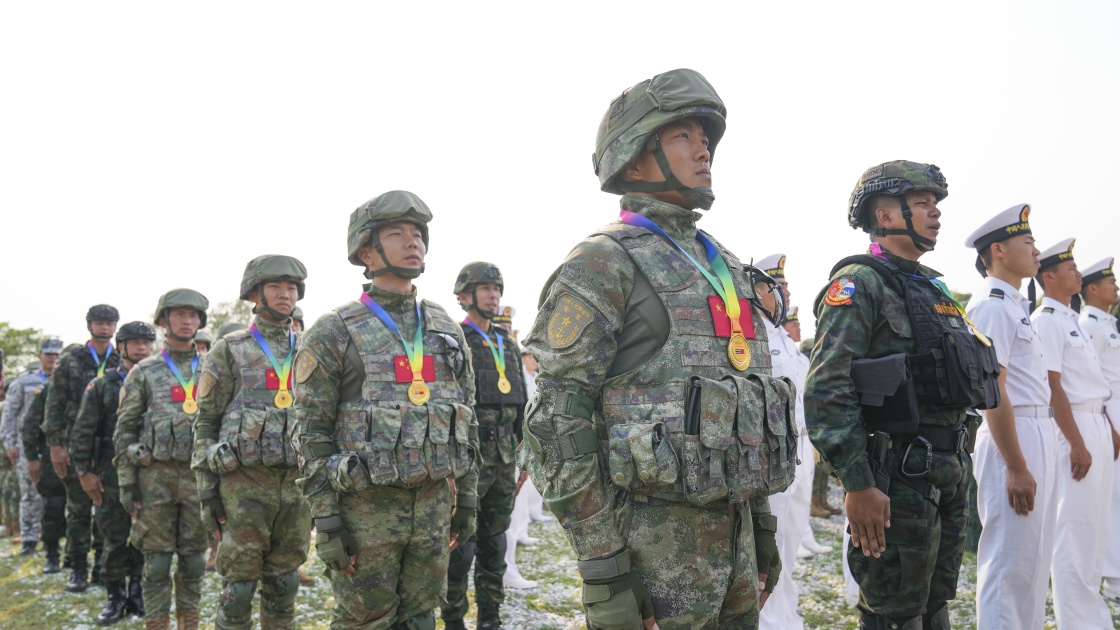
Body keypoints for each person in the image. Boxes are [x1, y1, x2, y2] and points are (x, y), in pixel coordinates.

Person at [522, 68, 791, 629]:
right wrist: (604, 568)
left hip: (737, 552)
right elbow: (556, 421)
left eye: (705, 137)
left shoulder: (722, 262)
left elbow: (746, 410)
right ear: (634, 159)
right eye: (683, 136)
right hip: (650, 556)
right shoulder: (604, 261)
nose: (704, 149)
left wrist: (761, 528)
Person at [805, 161, 999, 630]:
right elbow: (827, 389)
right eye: (922, 203)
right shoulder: (859, 284)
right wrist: (857, 483)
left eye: (936, 204)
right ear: (886, 215)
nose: (936, 212)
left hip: (947, 470)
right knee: (895, 614)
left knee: (934, 608)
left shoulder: (931, 286)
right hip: (896, 480)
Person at [294, 190, 480, 628]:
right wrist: (328, 522)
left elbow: (467, 419)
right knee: (365, 621)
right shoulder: (334, 330)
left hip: (433, 508)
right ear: (366, 251)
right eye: (396, 234)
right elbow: (311, 434)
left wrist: (468, 499)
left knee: (421, 618)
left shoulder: (445, 328)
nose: (413, 242)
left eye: (418, 234)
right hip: (365, 515)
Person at [192, 255, 311, 630]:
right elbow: (206, 421)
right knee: (239, 588)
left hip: (295, 488)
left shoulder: (311, 348)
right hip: (243, 487)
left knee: (285, 583)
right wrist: (207, 490)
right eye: (275, 286)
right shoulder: (230, 348)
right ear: (254, 294)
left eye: (291, 288)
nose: (285, 294)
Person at [963, 204, 1057, 630]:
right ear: (998, 250)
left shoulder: (1015, 305)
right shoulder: (993, 306)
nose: (1036, 250)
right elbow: (993, 390)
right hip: (1012, 438)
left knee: (1032, 563)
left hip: (1034, 431)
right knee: (1008, 564)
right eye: (1028, 242)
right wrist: (1016, 466)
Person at [1031, 239, 1116, 628]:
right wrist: (1077, 442)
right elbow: (1053, 386)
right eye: (1070, 268)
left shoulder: (1068, 320)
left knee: (1094, 530)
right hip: (1075, 427)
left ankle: (1093, 617)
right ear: (1049, 277)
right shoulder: (1048, 320)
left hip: (1094, 420)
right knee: (1075, 532)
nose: (1079, 274)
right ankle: (1078, 622)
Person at [114, 289, 210, 630]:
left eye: (193, 315)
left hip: (198, 480)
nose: (187, 321)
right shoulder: (144, 371)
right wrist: (127, 485)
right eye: (179, 314)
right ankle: (156, 624)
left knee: (194, 561)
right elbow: (124, 432)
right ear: (163, 321)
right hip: (154, 481)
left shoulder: (213, 369)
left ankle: (189, 624)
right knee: (155, 564)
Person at [440, 263, 527, 630]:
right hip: (469, 462)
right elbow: (444, 405)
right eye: (486, 288)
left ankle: (490, 617)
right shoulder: (453, 340)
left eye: (497, 289)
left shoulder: (508, 343)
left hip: (505, 459)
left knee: (495, 543)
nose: (494, 296)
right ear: (464, 296)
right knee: (461, 546)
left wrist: (524, 456)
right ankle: (454, 619)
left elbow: (521, 406)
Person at [72, 321, 156, 624]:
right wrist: (85, 472)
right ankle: (115, 597)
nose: (142, 348)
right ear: (122, 347)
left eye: (147, 343)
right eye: (135, 343)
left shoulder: (159, 380)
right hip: (110, 475)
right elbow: (82, 432)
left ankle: (137, 592)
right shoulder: (103, 385)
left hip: (151, 475)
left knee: (145, 536)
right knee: (115, 538)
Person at [755, 254, 816, 630]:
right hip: (773, 449)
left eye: (787, 286)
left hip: (802, 448)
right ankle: (765, 620)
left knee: (791, 537)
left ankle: (786, 615)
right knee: (770, 542)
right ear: (757, 291)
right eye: (778, 286)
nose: (786, 293)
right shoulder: (752, 335)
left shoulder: (785, 339)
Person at [45, 304, 120, 592]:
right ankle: (78, 567)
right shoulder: (71, 360)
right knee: (78, 509)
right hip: (75, 444)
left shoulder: (119, 358)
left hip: (108, 445)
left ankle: (101, 565)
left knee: (105, 507)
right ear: (89, 325)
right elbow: (54, 403)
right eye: (99, 322)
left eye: (109, 323)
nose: (104, 327)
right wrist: (55, 445)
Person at [1078, 257, 1120, 599]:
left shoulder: (1106, 322)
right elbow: (1090, 379)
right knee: (1112, 497)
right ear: (1092, 289)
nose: (1116, 287)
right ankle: (1113, 579)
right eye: (1111, 282)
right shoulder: (1089, 324)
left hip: (1114, 408)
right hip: (1107, 411)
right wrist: (1109, 424)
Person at [2, 338, 62, 555]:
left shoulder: (64, 380)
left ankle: (53, 537)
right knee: (30, 493)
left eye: (56, 355)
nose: (52, 359)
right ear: (40, 356)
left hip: (56, 445)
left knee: (56, 495)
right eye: (48, 355)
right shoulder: (24, 382)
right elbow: (9, 415)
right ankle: (29, 537)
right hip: (28, 446)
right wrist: (10, 444)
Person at [21, 348, 74, 574]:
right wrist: (32, 458)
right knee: (54, 506)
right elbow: (30, 425)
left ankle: (74, 555)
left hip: (83, 455)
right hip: (53, 456)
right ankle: (52, 555)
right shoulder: (47, 389)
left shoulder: (89, 387)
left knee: (80, 511)